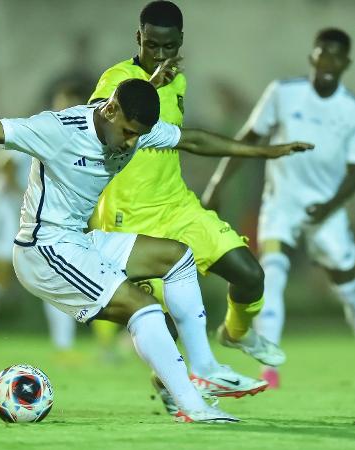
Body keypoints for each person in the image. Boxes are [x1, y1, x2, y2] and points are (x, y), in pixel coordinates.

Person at [0, 78, 311, 422]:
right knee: (143, 307)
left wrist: (264, 151)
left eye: (139, 134)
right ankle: (192, 405)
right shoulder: (59, 130)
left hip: (79, 241)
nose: (132, 143)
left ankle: (204, 369)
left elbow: (192, 140)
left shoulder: (132, 124)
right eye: (129, 132)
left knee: (177, 256)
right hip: (43, 251)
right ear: (112, 110)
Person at [88, 1, 287, 410]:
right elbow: (101, 127)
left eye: (170, 46)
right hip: (132, 218)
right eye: (153, 45)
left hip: (179, 206)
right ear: (138, 38)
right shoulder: (117, 79)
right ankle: (173, 390)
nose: (160, 55)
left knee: (250, 275)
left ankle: (235, 333)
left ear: (180, 42)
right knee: (163, 326)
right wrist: (152, 84)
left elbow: (181, 139)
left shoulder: (178, 82)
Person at [201, 28, 355, 388]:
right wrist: (216, 184)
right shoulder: (283, 93)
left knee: (349, 287)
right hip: (282, 203)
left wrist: (331, 205)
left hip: (326, 211)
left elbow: (354, 169)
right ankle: (268, 368)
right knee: (272, 272)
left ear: (346, 63)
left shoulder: (351, 110)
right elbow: (248, 140)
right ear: (312, 57)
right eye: (323, 54)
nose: (329, 62)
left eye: (337, 56)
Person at [0, 79, 93, 365]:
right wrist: (25, 201)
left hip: (30, 212)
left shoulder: (79, 134)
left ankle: (64, 348)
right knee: (0, 277)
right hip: (5, 207)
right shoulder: (43, 127)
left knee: (51, 272)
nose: (69, 106)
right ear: (54, 102)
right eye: (64, 100)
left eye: (74, 101)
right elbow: (4, 166)